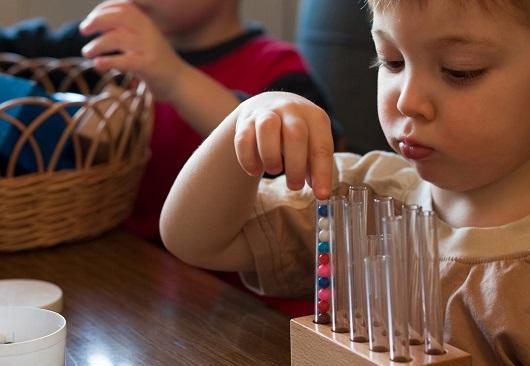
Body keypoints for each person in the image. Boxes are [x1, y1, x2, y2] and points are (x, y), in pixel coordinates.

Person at [160, 0, 530, 366]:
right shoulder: (357, 199)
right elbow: (194, 239)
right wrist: (248, 117)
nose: (407, 100)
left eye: (460, 70)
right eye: (392, 60)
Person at [0, 0, 341, 244]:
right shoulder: (112, 43)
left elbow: (317, 167)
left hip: (230, 292)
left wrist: (175, 77)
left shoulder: (276, 68)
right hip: (123, 269)